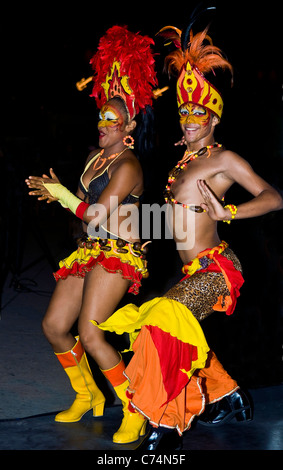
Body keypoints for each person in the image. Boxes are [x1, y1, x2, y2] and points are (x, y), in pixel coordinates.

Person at [94, 17, 283, 451]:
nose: (190, 118)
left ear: (214, 117)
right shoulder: (182, 162)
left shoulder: (225, 159)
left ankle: (163, 420)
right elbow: (177, 219)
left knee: (163, 322)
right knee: (169, 327)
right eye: (184, 111)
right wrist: (136, 232)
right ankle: (226, 394)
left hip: (218, 269)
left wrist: (229, 210)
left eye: (200, 112)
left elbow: (274, 197)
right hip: (189, 272)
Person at [25, 25, 157, 444]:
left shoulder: (130, 166)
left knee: (92, 331)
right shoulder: (94, 158)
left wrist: (64, 195)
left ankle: (134, 410)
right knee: (54, 325)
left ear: (129, 124)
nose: (102, 123)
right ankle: (88, 396)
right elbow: (82, 214)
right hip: (89, 251)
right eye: (100, 115)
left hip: (119, 255)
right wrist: (58, 194)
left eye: (111, 119)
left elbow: (96, 212)